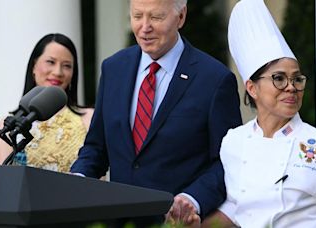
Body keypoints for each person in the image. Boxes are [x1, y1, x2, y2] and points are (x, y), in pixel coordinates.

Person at [70, 0, 242, 226]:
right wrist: (77, 180)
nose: (144, 27)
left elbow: (227, 162)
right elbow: (96, 147)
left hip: (174, 223)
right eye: (137, 16)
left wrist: (191, 199)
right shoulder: (114, 68)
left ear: (181, 17)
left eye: (156, 17)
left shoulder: (214, 79)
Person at [196, 0, 316, 227]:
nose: (291, 86)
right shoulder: (234, 142)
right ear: (252, 88)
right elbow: (238, 207)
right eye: (279, 78)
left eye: (297, 79)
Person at [0, 33, 94, 173]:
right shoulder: (10, 124)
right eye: (51, 62)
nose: (58, 72)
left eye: (67, 66)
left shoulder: (89, 119)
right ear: (34, 66)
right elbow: (3, 180)